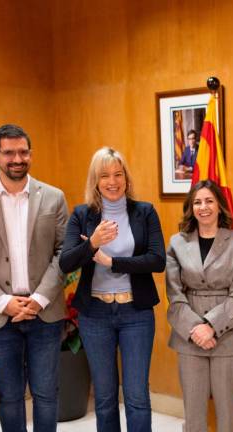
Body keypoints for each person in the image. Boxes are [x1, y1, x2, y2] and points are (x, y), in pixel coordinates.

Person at [0, 124, 68, 432]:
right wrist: (4, 301)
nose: (17, 159)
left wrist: (39, 299)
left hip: (44, 313)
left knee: (47, 395)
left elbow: (65, 252)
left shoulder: (54, 197)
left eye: (23, 152)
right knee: (9, 397)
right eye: (9, 152)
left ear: (30, 154)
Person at [60, 147, 165, 432]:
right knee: (105, 398)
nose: (112, 181)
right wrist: (92, 242)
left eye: (118, 174)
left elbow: (158, 260)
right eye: (104, 175)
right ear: (95, 181)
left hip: (136, 313)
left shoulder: (145, 212)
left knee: (137, 397)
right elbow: (66, 262)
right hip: (95, 315)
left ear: (126, 179)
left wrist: (112, 261)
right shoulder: (82, 215)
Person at [165, 179, 233, 432]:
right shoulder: (177, 243)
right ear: (191, 208)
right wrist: (196, 329)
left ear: (219, 206)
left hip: (229, 336)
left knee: (227, 416)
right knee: (193, 416)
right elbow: (174, 295)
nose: (203, 207)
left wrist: (211, 326)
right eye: (197, 202)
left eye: (209, 201)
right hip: (188, 338)